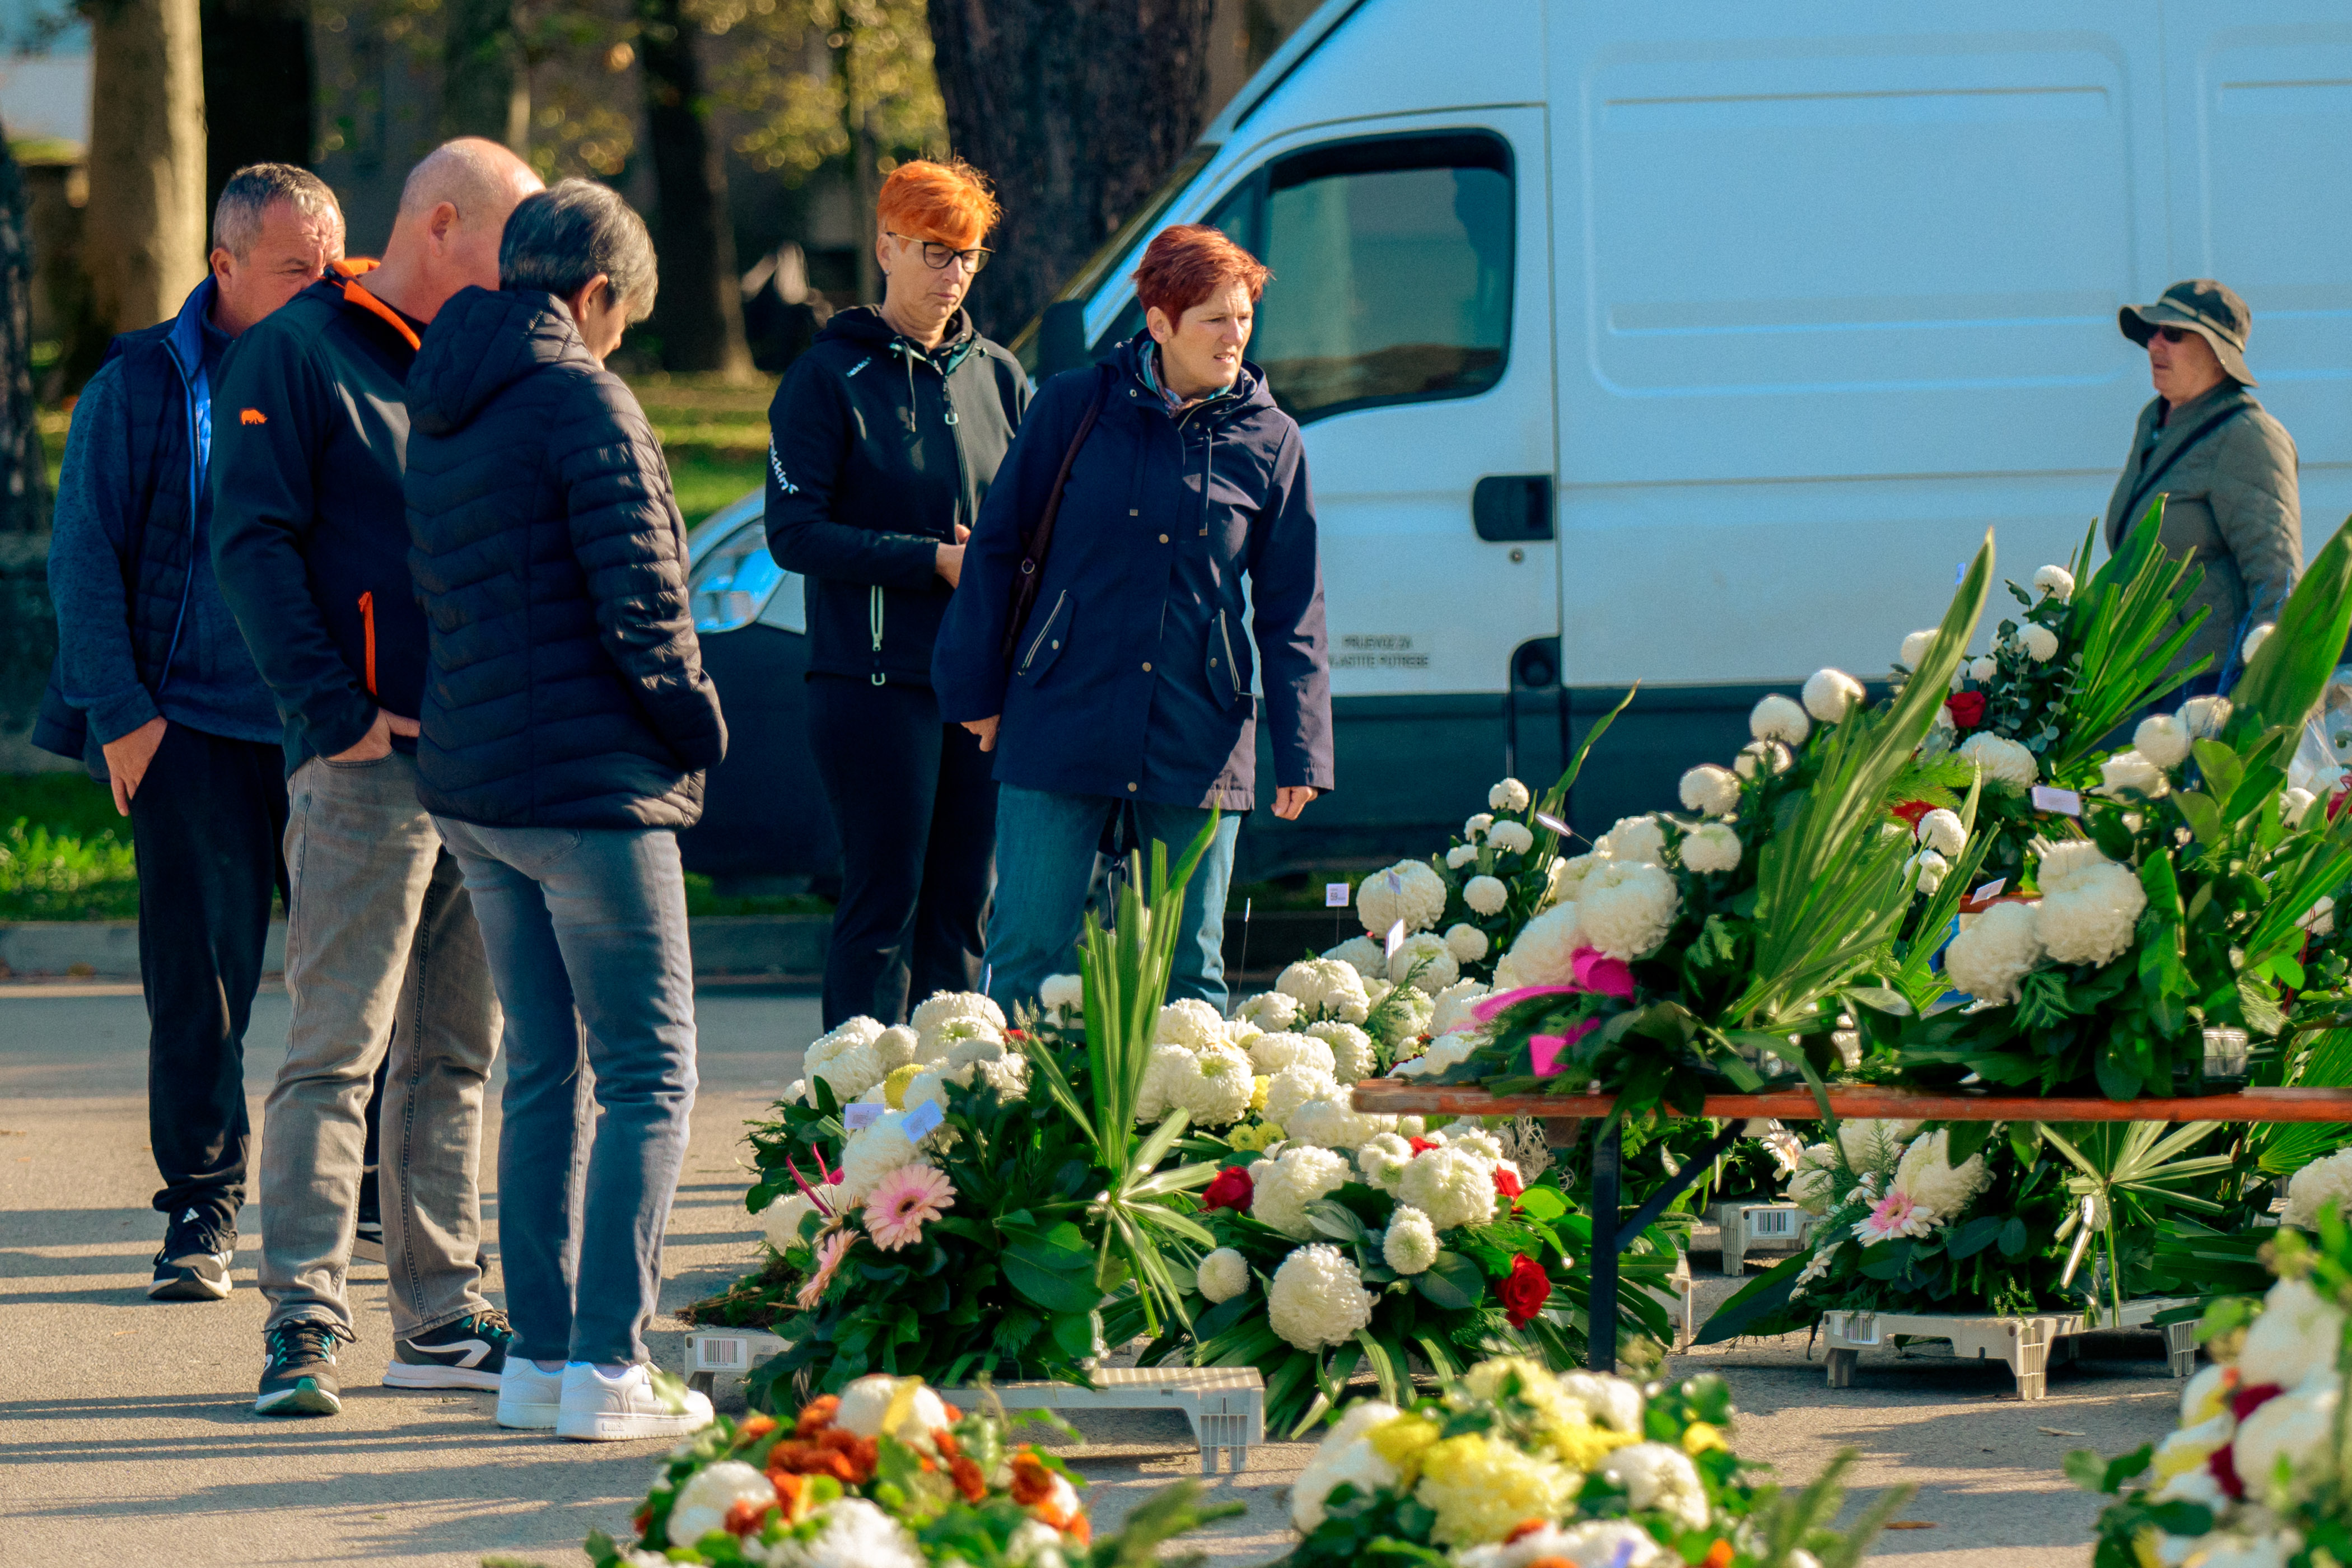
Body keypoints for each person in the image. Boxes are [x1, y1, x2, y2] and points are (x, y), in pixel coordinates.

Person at [211, 137, 544, 1417]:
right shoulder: (300, 350)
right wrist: (336, 711)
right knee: (335, 1049)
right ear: (440, 224)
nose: (525, 271)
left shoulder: (485, 354)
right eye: (508, 242)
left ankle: (442, 1313)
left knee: (457, 1050)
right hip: (364, 767)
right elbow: (251, 543)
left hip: (481, 761)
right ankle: (303, 1313)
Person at [405, 179, 724, 1441]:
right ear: (594, 295)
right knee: (649, 1072)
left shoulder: (445, 401)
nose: (621, 340)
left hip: (479, 783)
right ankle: (608, 1367)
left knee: (543, 1067)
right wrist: (701, 731)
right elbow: (646, 606)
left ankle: (539, 1357)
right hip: (592, 788)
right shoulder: (587, 402)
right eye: (623, 319)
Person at [34, 165, 342, 1303]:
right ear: (224, 265)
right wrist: (123, 716)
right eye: (296, 270)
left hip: (330, 730)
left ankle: (365, 1199)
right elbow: (83, 558)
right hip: (188, 729)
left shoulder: (350, 365)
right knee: (200, 993)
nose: (321, 289)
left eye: (332, 267)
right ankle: (203, 1207)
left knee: (361, 980)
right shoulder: (139, 384)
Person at [932, 223, 1333, 1015]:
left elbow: (1294, 605)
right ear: (1160, 323)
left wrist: (1302, 749)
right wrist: (977, 691)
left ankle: (1181, 1103)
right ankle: (1010, 1098)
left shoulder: (1272, 439)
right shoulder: (1072, 405)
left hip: (1197, 732)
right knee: (1026, 956)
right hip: (1061, 714)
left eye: (1244, 317)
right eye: (1215, 319)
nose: (1235, 336)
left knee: (1190, 976)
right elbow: (999, 546)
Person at [766, 158, 1028, 1029]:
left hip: (979, 687)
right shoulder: (824, 380)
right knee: (884, 909)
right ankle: (854, 1101)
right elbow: (794, 533)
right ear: (886, 247)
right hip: (871, 686)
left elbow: (1038, 521)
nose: (954, 273)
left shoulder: (1001, 377)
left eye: (969, 255)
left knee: (963, 910)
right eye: (934, 251)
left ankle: (951, 1100)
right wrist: (932, 561)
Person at [2104, 278, 2300, 688]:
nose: (2154, 345)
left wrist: (2262, 695)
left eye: (2173, 334)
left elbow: (2276, 583)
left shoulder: (2248, 436)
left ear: (2217, 353)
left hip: (2207, 690)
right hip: (2143, 684)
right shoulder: (2156, 421)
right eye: (2152, 331)